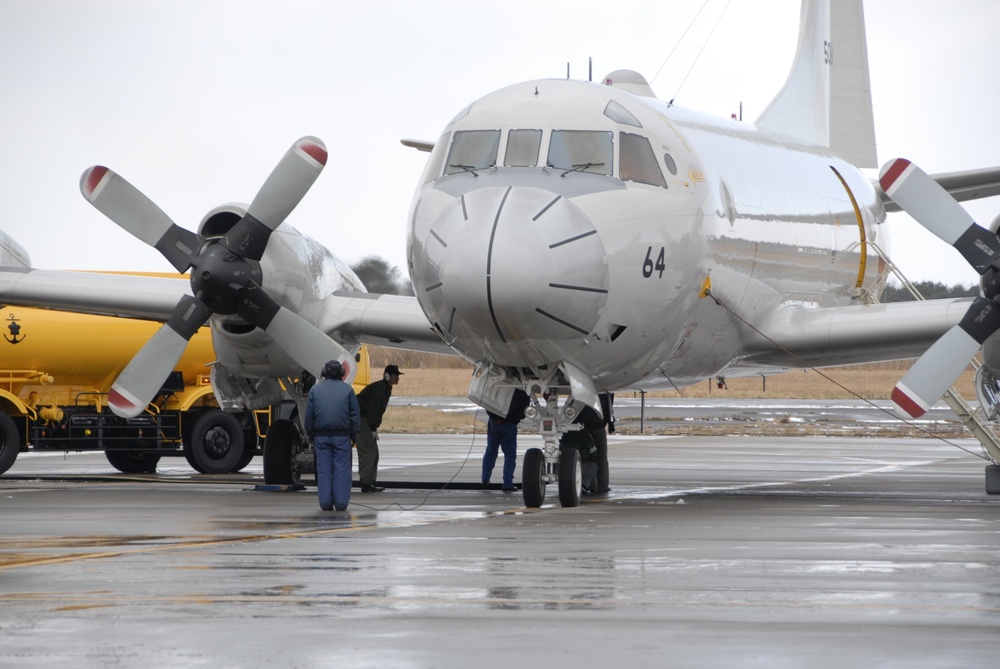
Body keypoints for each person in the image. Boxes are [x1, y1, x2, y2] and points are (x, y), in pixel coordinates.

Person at [304, 360, 360, 512]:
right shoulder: (348, 390)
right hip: (342, 437)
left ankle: (326, 503)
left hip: (321, 437)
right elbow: (354, 415)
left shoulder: (315, 390)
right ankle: (341, 503)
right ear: (341, 373)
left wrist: (310, 433)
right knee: (341, 470)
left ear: (324, 372)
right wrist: (354, 434)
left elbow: (309, 416)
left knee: (324, 470)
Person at [355, 364, 401, 492]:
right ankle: (366, 483)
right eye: (395, 375)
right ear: (387, 376)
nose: (398, 378)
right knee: (368, 452)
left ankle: (370, 481)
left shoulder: (385, 388)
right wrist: (373, 427)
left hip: (366, 419)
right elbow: (373, 410)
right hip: (361, 418)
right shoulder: (379, 389)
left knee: (374, 453)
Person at [482, 389, 530, 492]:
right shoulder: (523, 392)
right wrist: (509, 418)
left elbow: (488, 404)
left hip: (494, 423)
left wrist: (495, 417)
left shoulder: (500, 387)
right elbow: (523, 412)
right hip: (509, 425)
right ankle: (507, 483)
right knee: (510, 456)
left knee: (491, 451)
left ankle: (485, 478)